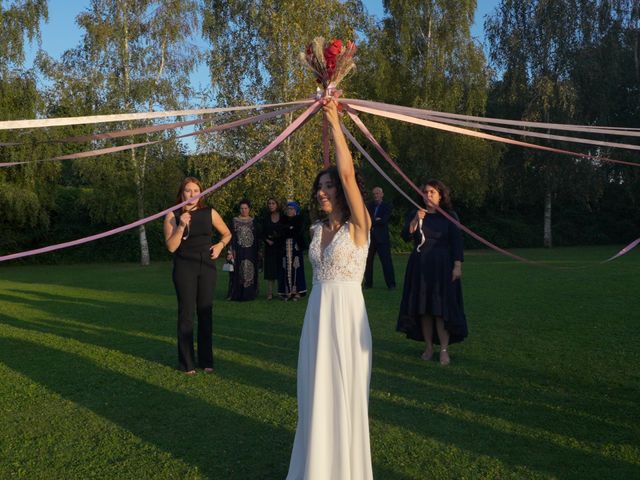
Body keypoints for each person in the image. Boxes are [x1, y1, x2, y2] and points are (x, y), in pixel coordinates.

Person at [286, 99, 373, 479]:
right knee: (316, 394)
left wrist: (334, 119)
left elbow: (349, 174)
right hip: (317, 317)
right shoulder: (315, 230)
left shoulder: (360, 225)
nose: (322, 192)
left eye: (328, 186)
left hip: (348, 319)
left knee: (345, 395)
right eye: (319, 187)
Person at [163, 177, 231, 375]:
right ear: (181, 193)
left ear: (201, 193)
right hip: (184, 267)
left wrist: (220, 246)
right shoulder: (172, 215)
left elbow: (227, 234)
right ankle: (187, 363)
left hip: (207, 267)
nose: (192, 194)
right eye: (188, 191)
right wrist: (181, 225)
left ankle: (206, 360)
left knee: (205, 312)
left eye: (196, 190)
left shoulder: (209, 212)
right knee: (186, 314)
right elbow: (171, 246)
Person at [396, 179, 468, 366]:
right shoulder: (417, 213)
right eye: (426, 192)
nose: (428, 195)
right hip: (420, 266)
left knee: (440, 310)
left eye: (432, 192)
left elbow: (457, 242)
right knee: (424, 309)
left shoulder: (449, 215)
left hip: (443, 267)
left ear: (440, 195)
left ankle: (444, 349)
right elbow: (405, 236)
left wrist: (457, 266)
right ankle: (428, 347)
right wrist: (414, 220)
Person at [363, 186, 396, 289]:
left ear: (382, 194)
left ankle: (391, 285)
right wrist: (376, 220)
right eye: (374, 194)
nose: (376, 196)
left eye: (377, 193)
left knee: (386, 262)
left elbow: (384, 221)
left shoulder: (387, 206)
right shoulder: (369, 206)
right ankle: (368, 284)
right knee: (368, 262)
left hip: (382, 239)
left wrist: (374, 221)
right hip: (370, 238)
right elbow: (366, 220)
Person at [228, 199, 259, 301]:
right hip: (238, 250)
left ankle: (250, 293)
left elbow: (257, 238)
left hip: (251, 251)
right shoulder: (234, 221)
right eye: (242, 208)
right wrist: (230, 251)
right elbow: (231, 237)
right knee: (238, 271)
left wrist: (259, 252)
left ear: (249, 209)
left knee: (249, 271)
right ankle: (237, 293)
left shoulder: (253, 221)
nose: (244, 210)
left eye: (245, 208)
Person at [278, 201, 307, 301]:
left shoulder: (299, 220)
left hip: (296, 246)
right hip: (285, 247)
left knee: (296, 267)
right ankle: (287, 292)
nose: (289, 211)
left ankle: (297, 292)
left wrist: (289, 229)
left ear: (296, 210)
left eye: (292, 209)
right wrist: (289, 229)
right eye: (288, 209)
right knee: (285, 267)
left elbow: (298, 232)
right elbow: (282, 232)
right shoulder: (283, 220)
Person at [261, 198, 284, 300]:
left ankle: (280, 292)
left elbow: (286, 230)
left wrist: (279, 238)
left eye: (273, 203)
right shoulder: (265, 217)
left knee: (280, 269)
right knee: (270, 270)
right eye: (269, 203)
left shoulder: (283, 217)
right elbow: (261, 232)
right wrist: (267, 240)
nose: (271, 205)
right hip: (269, 246)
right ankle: (270, 293)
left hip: (280, 246)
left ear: (277, 205)